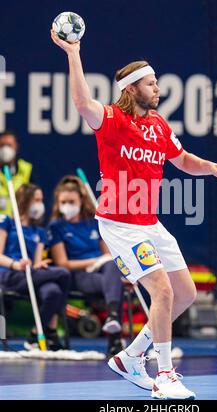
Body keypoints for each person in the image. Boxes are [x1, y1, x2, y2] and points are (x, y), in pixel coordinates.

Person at [51, 30, 217, 400]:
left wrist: (211, 166)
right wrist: (73, 53)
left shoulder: (159, 125)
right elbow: (83, 102)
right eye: (151, 84)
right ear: (132, 89)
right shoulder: (113, 120)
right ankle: (164, 375)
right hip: (120, 225)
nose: (158, 89)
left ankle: (131, 356)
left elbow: (182, 160)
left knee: (185, 293)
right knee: (162, 291)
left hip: (150, 223)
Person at [48, 175, 124, 357]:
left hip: (103, 271)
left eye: (71, 201)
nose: (67, 205)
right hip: (78, 274)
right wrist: (94, 261)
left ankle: (113, 319)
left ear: (81, 200)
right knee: (114, 283)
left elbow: (108, 255)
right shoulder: (56, 227)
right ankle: (115, 340)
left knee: (113, 270)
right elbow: (63, 263)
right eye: (63, 202)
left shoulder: (94, 223)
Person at [0, 183, 72, 350]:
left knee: (53, 292)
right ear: (25, 201)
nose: (40, 204)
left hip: (30, 276)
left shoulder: (39, 232)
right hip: (9, 275)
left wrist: (39, 264)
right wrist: (15, 264)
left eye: (41, 200)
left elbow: (37, 261)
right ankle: (51, 332)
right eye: (36, 200)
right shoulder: (7, 222)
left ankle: (34, 335)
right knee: (63, 273)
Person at [0, 130, 33, 216]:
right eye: (2, 145)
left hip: (18, 223)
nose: (5, 149)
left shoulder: (26, 169)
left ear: (16, 146)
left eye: (9, 145)